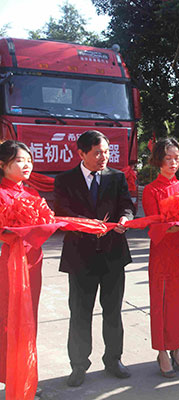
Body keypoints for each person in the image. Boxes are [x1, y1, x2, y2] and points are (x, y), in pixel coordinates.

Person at [54, 130, 135, 387]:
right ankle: (79, 365)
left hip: (113, 255)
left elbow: (126, 205)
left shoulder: (116, 177)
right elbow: (62, 212)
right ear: (81, 154)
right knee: (80, 313)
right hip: (80, 256)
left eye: (107, 152)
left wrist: (125, 218)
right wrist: (85, 225)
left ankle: (114, 359)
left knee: (113, 312)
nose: (104, 157)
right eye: (98, 152)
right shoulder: (65, 180)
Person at [142, 138, 179, 378]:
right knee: (162, 302)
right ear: (158, 161)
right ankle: (162, 351)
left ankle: (178, 347)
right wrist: (178, 225)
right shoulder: (152, 190)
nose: (173, 162)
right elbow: (154, 226)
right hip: (163, 252)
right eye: (167, 158)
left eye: (176, 158)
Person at [0, 141, 43, 397]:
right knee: (6, 319)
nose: (26, 165)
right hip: (6, 266)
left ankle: (22, 379)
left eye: (28, 160)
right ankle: (6, 376)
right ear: (2, 165)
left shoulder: (33, 195)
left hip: (32, 264)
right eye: (19, 160)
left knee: (28, 319)